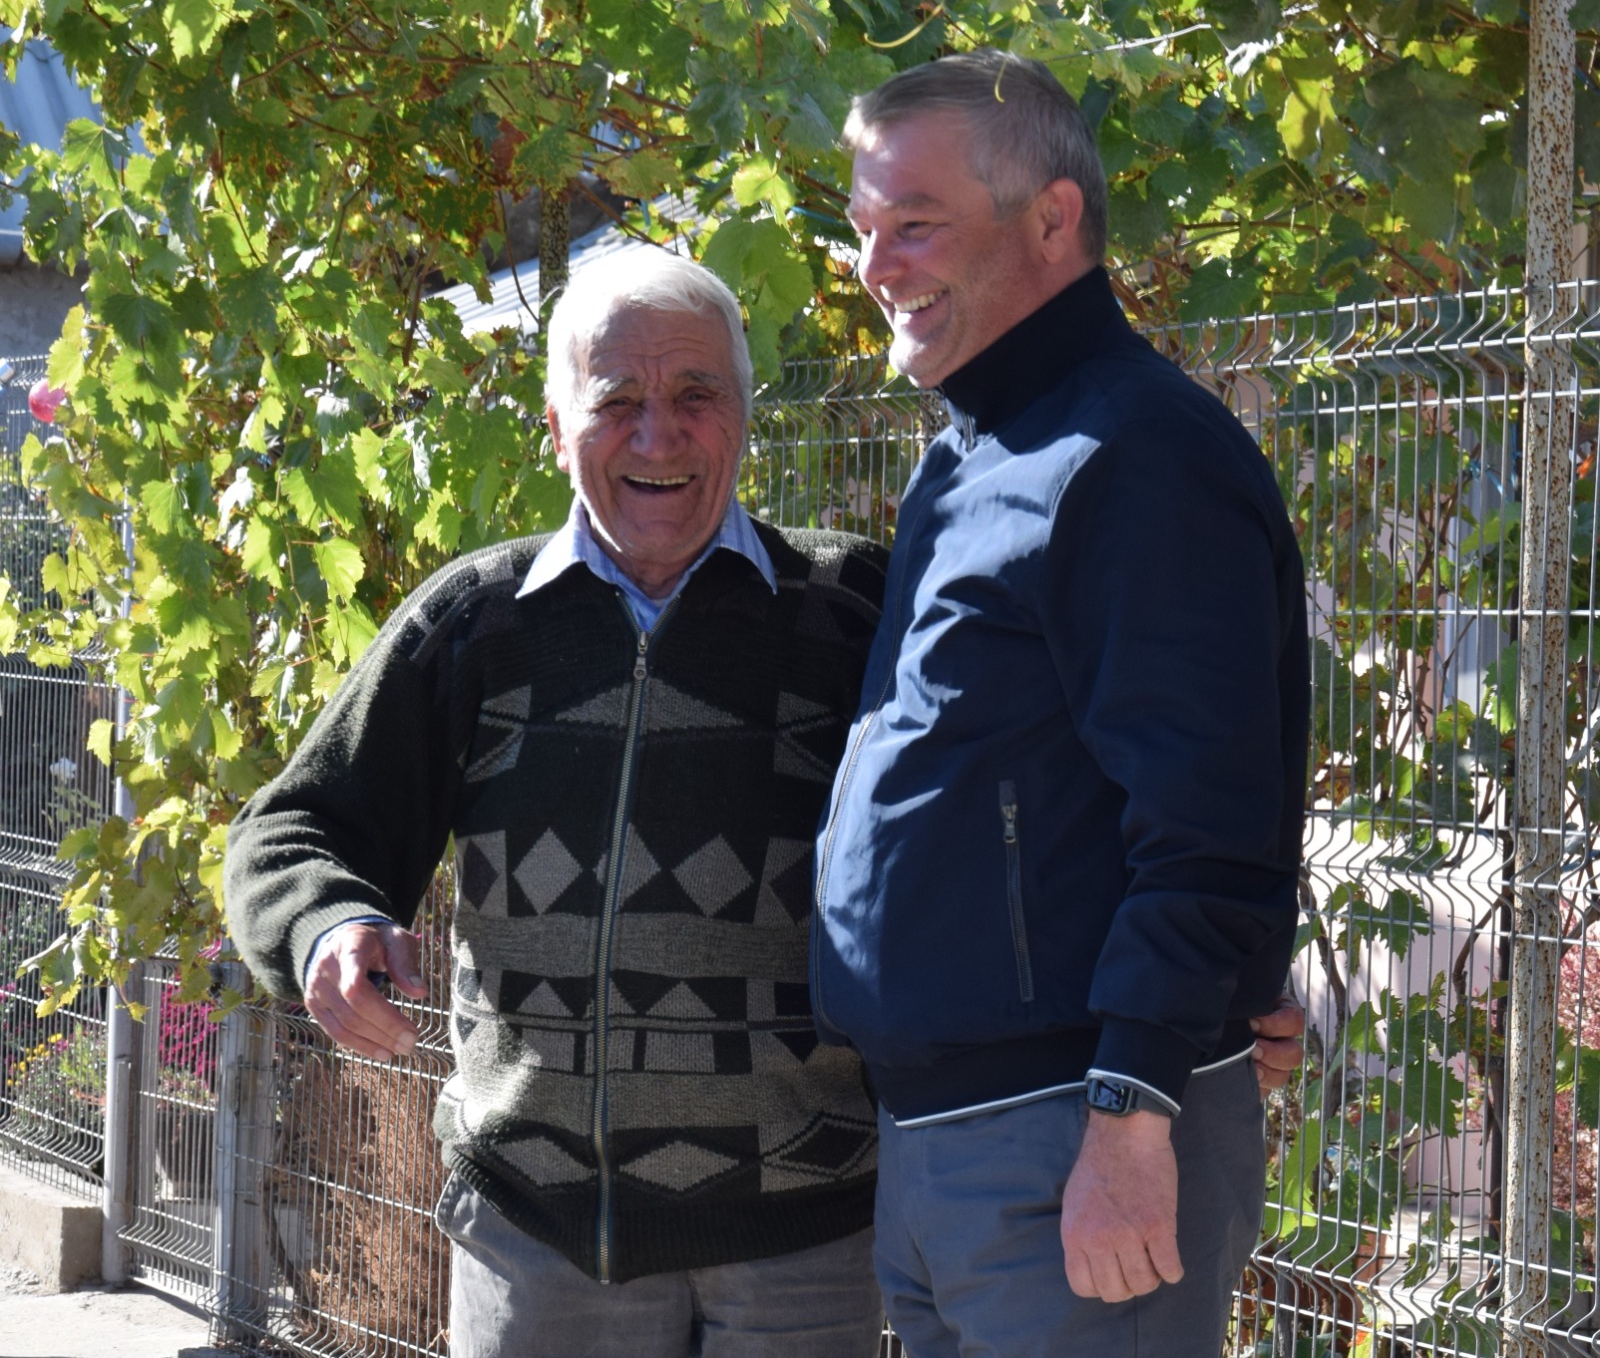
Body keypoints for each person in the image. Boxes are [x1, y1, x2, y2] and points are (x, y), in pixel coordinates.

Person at [225, 248, 1306, 1355]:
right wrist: (327, 925)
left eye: (698, 395)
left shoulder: (853, 611)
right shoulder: (476, 624)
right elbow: (293, 828)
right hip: (537, 1238)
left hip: (806, 1244)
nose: (660, 435)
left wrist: (1212, 1001)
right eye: (618, 401)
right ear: (556, 425)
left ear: (744, 420)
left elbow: (1052, 814)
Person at [810, 49, 1311, 1358]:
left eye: (916, 225)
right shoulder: (972, 457)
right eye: (864, 229)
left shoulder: (1134, 454)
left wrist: (1135, 1100)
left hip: (1074, 1140)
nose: (874, 267)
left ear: (1051, 219)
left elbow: (1208, 815)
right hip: (950, 1145)